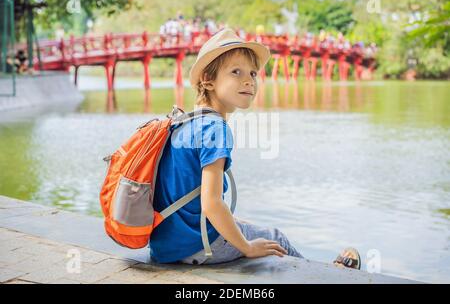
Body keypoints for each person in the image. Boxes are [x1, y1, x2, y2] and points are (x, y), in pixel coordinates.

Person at [149, 28, 361, 269]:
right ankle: (330, 276)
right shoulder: (215, 128)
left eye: (252, 73)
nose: (248, 80)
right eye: (235, 72)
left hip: (164, 246)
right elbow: (211, 204)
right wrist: (247, 247)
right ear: (208, 79)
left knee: (242, 224)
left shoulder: (183, 121)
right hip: (196, 247)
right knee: (275, 238)